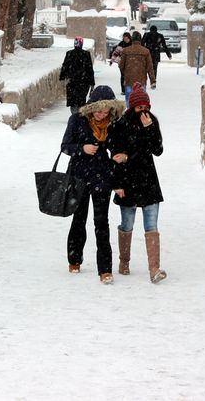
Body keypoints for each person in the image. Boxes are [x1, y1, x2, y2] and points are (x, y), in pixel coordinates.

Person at [60, 86, 126, 284]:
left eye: (106, 112)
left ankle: (105, 269)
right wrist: (82, 148)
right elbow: (65, 146)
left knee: (101, 222)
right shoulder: (77, 120)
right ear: (91, 107)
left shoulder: (113, 124)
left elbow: (117, 149)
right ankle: (74, 259)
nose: (101, 115)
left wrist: (120, 157)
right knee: (78, 219)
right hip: (79, 176)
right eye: (98, 111)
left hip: (102, 177)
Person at [109, 83, 167, 284]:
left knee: (151, 225)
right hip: (127, 181)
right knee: (127, 224)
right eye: (139, 107)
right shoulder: (120, 125)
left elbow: (157, 150)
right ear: (132, 107)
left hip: (148, 180)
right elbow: (116, 157)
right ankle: (124, 262)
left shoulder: (152, 121)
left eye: (146, 107)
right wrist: (117, 184)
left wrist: (149, 128)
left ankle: (154, 269)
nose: (143, 111)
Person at [59, 37, 95, 114]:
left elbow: (65, 66)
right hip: (83, 82)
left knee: (73, 101)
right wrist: (92, 82)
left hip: (72, 82)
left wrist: (62, 76)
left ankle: (75, 115)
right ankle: (79, 115)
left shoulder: (69, 53)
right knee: (81, 101)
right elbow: (89, 69)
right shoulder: (86, 54)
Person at [118, 32, 155, 107]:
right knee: (141, 101)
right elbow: (150, 67)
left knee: (129, 102)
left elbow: (121, 66)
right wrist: (153, 81)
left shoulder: (126, 50)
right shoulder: (145, 51)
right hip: (141, 80)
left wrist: (126, 73)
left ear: (132, 39)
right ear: (140, 40)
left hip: (129, 80)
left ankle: (130, 113)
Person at [142, 25, 173, 89]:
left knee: (145, 69)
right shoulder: (160, 36)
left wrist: (143, 51)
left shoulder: (147, 35)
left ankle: (144, 83)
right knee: (154, 69)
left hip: (148, 54)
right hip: (156, 54)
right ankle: (153, 82)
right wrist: (168, 54)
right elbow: (164, 46)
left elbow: (142, 44)